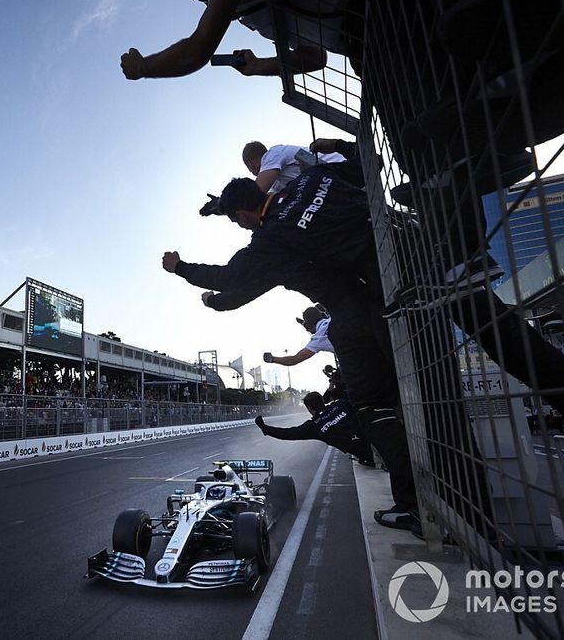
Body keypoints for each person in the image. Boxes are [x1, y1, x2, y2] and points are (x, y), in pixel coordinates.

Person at [163, 146, 421, 532]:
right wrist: (337, 146)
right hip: (397, 278)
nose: (241, 227)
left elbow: (232, 281)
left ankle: (413, 504)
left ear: (244, 216)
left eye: (236, 221)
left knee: (373, 409)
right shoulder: (311, 178)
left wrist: (181, 268)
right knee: (416, 396)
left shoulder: (272, 242)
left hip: (355, 316)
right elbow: (362, 167)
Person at [121, 0, 363, 80]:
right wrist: (258, 66)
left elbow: (194, 52)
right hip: (362, 45)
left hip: (368, 7)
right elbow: (315, 58)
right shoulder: (258, 2)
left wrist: (143, 67)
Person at [255, 391, 375, 467]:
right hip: (377, 440)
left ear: (309, 408)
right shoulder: (341, 404)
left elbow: (289, 433)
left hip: (370, 456)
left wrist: (265, 428)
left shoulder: (314, 426)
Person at [243, 140, 347, 196]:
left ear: (250, 164)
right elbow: (269, 197)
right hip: (335, 178)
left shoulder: (272, 154)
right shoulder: (277, 178)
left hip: (341, 167)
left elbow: (255, 194)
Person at [263, 305, 333, 369]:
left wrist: (273, 359)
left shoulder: (318, 339)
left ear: (309, 324)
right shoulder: (332, 318)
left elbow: (293, 360)